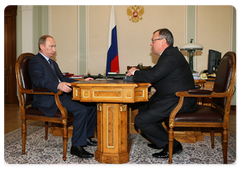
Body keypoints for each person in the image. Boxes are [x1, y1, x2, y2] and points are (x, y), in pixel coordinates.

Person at [127, 28, 197, 158]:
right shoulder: (169, 54)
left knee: (141, 120)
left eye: (153, 41)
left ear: (163, 41)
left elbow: (153, 75)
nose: (151, 44)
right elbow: (156, 72)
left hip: (180, 99)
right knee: (143, 108)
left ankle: (172, 145)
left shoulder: (170, 55)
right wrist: (140, 73)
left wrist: (135, 73)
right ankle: (161, 140)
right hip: (170, 96)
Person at [28, 35, 97, 159]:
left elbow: (63, 78)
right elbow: (38, 81)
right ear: (41, 46)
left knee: (91, 105)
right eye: (51, 46)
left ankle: (86, 137)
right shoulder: (35, 61)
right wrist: (57, 85)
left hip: (60, 95)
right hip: (48, 98)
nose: (54, 50)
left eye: (54, 46)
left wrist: (82, 81)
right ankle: (77, 147)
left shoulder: (52, 62)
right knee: (81, 110)